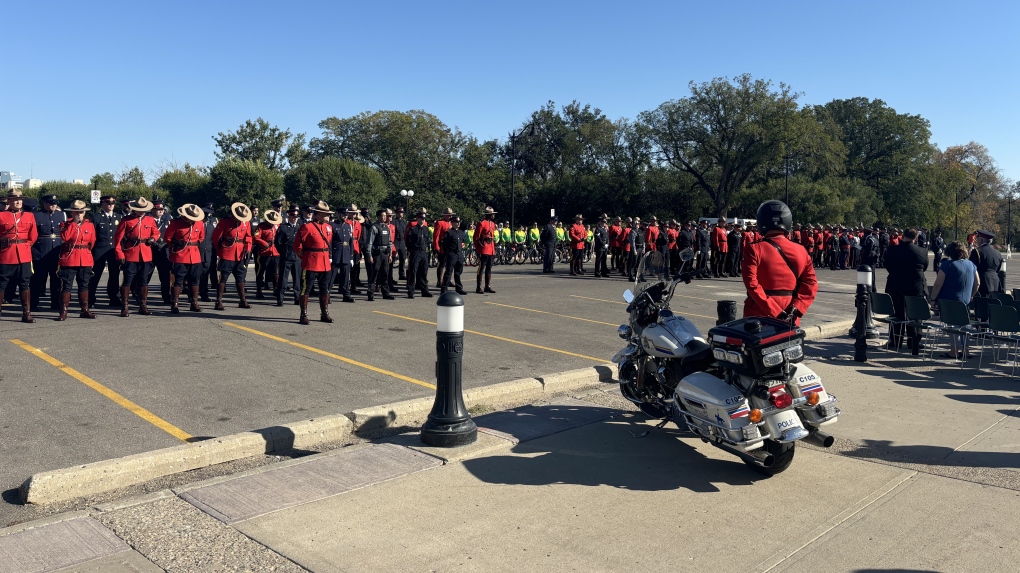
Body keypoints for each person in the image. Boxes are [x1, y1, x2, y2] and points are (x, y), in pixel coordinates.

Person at [741, 200, 818, 326]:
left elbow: (752, 284)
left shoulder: (754, 249)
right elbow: (811, 284)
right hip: (790, 314)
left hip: (760, 314)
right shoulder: (801, 250)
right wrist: (797, 308)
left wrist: (775, 310)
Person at [113, 197, 161, 317]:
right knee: (128, 280)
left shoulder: (149, 220)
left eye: (144, 209)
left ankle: (143, 305)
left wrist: (153, 239)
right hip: (131, 253)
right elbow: (118, 239)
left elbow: (156, 232)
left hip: (145, 253)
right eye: (140, 209)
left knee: (144, 281)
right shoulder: (126, 220)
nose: (142, 211)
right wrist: (119, 253)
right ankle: (125, 306)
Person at [931, 242, 980, 359]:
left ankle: (954, 350)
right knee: (965, 325)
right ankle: (966, 350)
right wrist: (971, 295)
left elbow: (938, 283)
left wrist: (933, 299)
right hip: (965, 300)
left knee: (952, 326)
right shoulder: (971, 265)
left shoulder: (947, 265)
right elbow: (977, 283)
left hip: (950, 300)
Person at [883, 228, 929, 349]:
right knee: (914, 315)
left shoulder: (892, 250)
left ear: (902, 236)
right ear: (916, 238)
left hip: (895, 286)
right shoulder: (922, 251)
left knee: (897, 314)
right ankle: (914, 340)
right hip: (915, 287)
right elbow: (924, 267)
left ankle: (895, 340)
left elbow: (887, 265)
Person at [0, 190, 39, 322]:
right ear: (9, 201)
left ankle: (26, 313)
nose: (18, 202)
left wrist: (26, 246)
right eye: (15, 199)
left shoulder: (29, 216)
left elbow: (33, 235)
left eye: (20, 199)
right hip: (6, 253)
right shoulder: (2, 216)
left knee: (25, 283)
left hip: (24, 254)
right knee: (2, 283)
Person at [293, 201, 334, 324]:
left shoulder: (329, 227)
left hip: (325, 263)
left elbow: (328, 244)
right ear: (318, 214)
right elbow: (297, 246)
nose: (328, 216)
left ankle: (324, 313)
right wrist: (305, 257)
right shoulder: (307, 227)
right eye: (326, 214)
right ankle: (303, 314)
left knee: (325, 289)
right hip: (311, 262)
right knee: (306, 289)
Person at [55, 200, 97, 320]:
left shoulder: (90, 225)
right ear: (72, 213)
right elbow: (65, 237)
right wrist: (74, 223)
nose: (79, 214)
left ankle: (84, 309)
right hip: (69, 258)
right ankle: (63, 311)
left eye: (81, 212)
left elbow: (92, 242)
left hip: (85, 258)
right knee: (66, 285)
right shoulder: (65, 224)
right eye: (76, 212)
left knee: (84, 284)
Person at [210, 202, 254, 311]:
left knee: (240, 277)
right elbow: (215, 238)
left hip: (240, 254)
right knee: (223, 278)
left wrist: (247, 248)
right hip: (227, 252)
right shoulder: (225, 222)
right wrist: (221, 252)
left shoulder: (246, 223)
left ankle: (242, 300)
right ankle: (219, 301)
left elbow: (248, 237)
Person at [164, 203, 206, 314]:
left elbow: (201, 237)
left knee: (195, 280)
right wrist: (176, 243)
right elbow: (167, 237)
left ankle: (194, 302)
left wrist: (194, 243)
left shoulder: (200, 223)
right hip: (180, 255)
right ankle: (175, 303)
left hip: (195, 256)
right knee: (178, 280)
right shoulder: (176, 223)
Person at [30, 194, 66, 311]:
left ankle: (55, 303)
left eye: (55, 203)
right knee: (37, 280)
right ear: (44, 203)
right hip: (40, 252)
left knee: (56, 280)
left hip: (56, 251)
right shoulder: (36, 215)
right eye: (51, 203)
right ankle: (34, 303)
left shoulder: (62, 215)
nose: (53, 205)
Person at [88, 195, 123, 308]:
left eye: (112, 204)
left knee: (114, 275)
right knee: (95, 275)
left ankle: (114, 297)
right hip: (99, 250)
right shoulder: (97, 217)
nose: (111, 206)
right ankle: (90, 298)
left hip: (113, 251)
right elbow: (92, 235)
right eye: (108, 203)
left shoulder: (119, 217)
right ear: (102, 204)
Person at [364, 208, 395, 301]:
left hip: (385, 253)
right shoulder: (374, 227)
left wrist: (390, 254)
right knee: (374, 274)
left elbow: (390, 242)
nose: (385, 217)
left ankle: (385, 293)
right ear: (378, 217)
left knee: (385, 274)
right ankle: (371, 293)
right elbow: (369, 242)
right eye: (383, 215)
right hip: (377, 254)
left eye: (386, 216)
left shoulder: (386, 227)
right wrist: (369, 255)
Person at [331, 204, 358, 303]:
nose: (345, 216)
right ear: (339, 214)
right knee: (332, 276)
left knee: (346, 276)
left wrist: (351, 256)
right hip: (336, 252)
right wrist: (330, 255)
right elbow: (330, 242)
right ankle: (327, 294)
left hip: (346, 252)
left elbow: (351, 242)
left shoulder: (348, 226)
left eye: (346, 214)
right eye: (343, 214)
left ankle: (346, 294)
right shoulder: (333, 225)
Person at [275, 206, 301, 306]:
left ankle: (297, 297)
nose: (294, 218)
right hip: (286, 256)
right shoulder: (283, 227)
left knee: (297, 279)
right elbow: (277, 242)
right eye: (292, 216)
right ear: (289, 216)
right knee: (283, 278)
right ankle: (280, 298)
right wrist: (283, 252)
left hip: (297, 257)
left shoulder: (300, 228)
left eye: (296, 216)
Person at [149, 199, 173, 304]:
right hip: (151, 251)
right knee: (146, 275)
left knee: (165, 276)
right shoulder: (147, 220)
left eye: (162, 209)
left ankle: (166, 295)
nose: (161, 211)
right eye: (158, 209)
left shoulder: (167, 221)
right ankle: (140, 295)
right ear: (152, 209)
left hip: (163, 251)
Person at [405, 208, 433, 298]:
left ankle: (424, 290)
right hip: (415, 252)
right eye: (421, 219)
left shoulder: (425, 229)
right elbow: (408, 241)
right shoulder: (412, 229)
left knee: (424, 272)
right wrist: (412, 250)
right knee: (413, 272)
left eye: (424, 219)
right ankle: (411, 291)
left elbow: (426, 240)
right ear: (417, 219)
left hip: (423, 252)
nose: (423, 220)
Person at [254, 210, 281, 299]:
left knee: (275, 272)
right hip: (264, 252)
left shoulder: (278, 226)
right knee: (261, 272)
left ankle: (276, 289)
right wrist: (264, 244)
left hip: (275, 252)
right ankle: (259, 291)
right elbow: (256, 237)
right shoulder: (261, 226)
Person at [969, 230, 1003, 296]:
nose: (976, 240)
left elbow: (972, 269)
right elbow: (998, 270)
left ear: (981, 240)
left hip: (982, 283)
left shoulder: (976, 251)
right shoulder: (998, 253)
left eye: (977, 238)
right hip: (996, 283)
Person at [440, 216, 468, 295]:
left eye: (459, 222)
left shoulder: (460, 232)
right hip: (452, 254)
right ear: (452, 223)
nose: (458, 224)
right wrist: (447, 253)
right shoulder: (448, 233)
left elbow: (462, 242)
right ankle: (444, 289)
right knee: (448, 272)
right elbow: (444, 245)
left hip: (459, 253)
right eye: (456, 222)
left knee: (458, 272)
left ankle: (459, 288)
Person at [474, 206, 498, 293]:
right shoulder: (481, 223)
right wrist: (478, 248)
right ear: (488, 215)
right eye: (492, 214)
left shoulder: (492, 224)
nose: (493, 216)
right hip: (483, 248)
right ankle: (478, 287)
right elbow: (476, 237)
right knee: (481, 268)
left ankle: (487, 286)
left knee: (489, 268)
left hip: (491, 248)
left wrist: (493, 250)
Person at [198, 203, 218, 302]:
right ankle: (191, 295)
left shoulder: (211, 226)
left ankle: (204, 294)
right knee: (193, 276)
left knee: (205, 275)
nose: (207, 217)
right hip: (196, 253)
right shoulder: (196, 224)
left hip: (208, 254)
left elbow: (213, 240)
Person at [433, 207, 453, 288]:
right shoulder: (440, 223)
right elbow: (436, 236)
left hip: (450, 247)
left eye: (451, 215)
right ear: (444, 215)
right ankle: (439, 281)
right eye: (448, 215)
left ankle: (449, 280)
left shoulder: (452, 223)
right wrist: (436, 247)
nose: (450, 216)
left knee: (450, 264)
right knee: (441, 264)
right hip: (442, 246)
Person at [627, 217, 645, 281]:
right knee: (633, 263)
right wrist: (634, 250)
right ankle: (631, 276)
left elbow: (643, 240)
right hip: (636, 249)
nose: (637, 224)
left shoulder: (640, 231)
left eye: (638, 223)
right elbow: (632, 242)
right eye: (636, 223)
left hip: (640, 248)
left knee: (639, 263)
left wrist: (643, 248)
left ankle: (638, 276)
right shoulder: (633, 231)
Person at [393, 207, 408, 281]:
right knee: (392, 259)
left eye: (402, 213)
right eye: (399, 213)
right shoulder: (393, 221)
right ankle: (390, 276)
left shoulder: (404, 222)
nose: (401, 214)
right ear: (397, 213)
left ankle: (401, 274)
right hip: (395, 241)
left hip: (402, 241)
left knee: (403, 258)